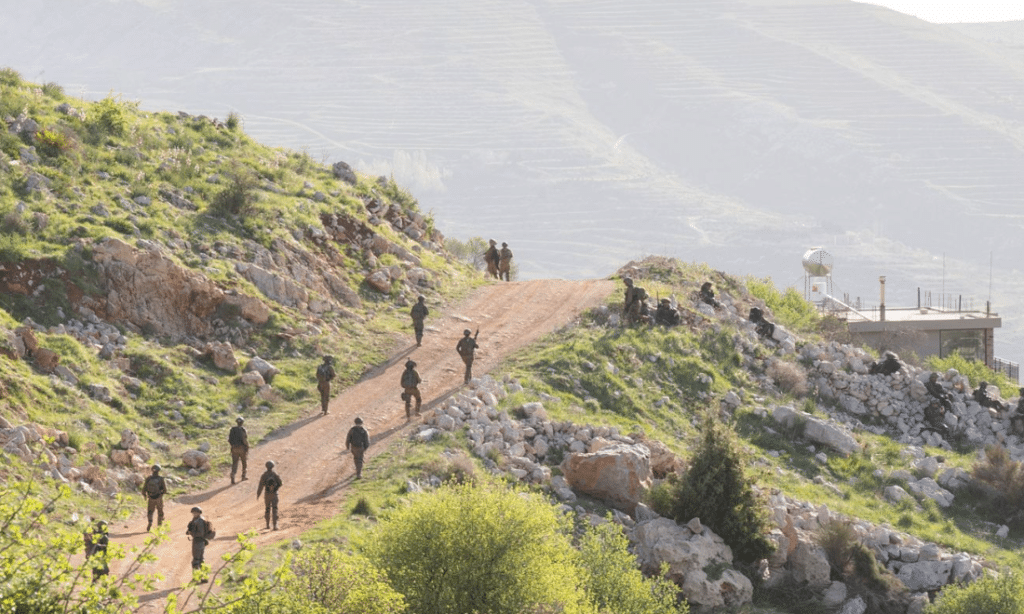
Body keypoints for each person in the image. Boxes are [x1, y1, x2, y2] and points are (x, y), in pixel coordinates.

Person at [185, 506, 213, 580]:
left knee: (196, 560)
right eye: (193, 512)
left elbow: (200, 533)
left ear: (199, 513)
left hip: (199, 541)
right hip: (199, 541)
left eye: (195, 512)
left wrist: (191, 533)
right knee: (200, 560)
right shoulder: (195, 520)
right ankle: (204, 577)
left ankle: (196, 577)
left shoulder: (200, 521)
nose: (194, 514)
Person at [256, 460, 283, 531]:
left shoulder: (264, 475)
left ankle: (267, 525)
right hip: (274, 494)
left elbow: (260, 486)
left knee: (267, 509)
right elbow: (280, 483)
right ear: (273, 466)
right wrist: (275, 488)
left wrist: (258, 494)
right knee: (275, 509)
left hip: (267, 494)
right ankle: (275, 525)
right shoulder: (275, 474)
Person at [142, 464, 167, 531]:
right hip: (158, 498)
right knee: (160, 512)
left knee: (150, 512)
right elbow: (165, 490)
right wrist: (161, 494)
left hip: (150, 498)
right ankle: (159, 526)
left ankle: (150, 522)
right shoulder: (161, 479)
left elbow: (144, 489)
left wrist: (145, 495)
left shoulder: (148, 478)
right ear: (159, 471)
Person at [228, 416, 249, 484]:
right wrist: (247, 446)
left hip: (234, 448)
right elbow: (244, 440)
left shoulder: (232, 429)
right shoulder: (243, 430)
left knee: (235, 462)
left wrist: (232, 446)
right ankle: (243, 475)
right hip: (241, 448)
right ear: (242, 422)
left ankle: (233, 475)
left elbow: (229, 439)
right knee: (244, 462)